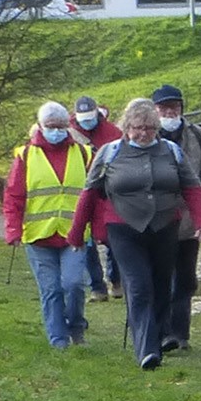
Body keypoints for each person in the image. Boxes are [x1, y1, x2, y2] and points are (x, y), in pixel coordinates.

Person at [85, 104, 193, 369]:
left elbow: (193, 187)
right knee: (138, 285)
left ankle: (154, 340)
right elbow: (89, 194)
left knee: (161, 286)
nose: (143, 133)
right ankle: (146, 350)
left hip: (165, 226)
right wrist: (79, 233)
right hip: (122, 228)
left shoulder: (171, 152)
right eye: (137, 128)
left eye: (149, 128)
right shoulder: (109, 153)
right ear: (126, 127)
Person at [0, 102, 99, 347]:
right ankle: (58, 340)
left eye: (60, 126)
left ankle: (77, 328)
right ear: (41, 127)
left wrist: (99, 229)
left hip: (73, 236)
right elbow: (13, 196)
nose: (55, 131)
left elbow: (97, 195)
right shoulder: (26, 156)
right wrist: (13, 229)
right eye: (50, 126)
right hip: (38, 236)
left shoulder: (85, 154)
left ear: (68, 126)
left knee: (74, 285)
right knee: (51, 290)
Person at [147, 86, 201, 356]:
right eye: (163, 108)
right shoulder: (145, 136)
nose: (169, 112)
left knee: (185, 280)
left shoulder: (196, 135)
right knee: (160, 278)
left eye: (174, 107)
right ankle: (160, 332)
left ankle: (180, 334)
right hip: (157, 221)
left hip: (187, 224)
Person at [74, 100, 120, 299]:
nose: (87, 123)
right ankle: (96, 287)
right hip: (80, 190)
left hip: (108, 192)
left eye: (90, 119)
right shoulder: (69, 133)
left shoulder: (113, 133)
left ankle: (116, 280)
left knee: (114, 237)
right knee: (87, 241)